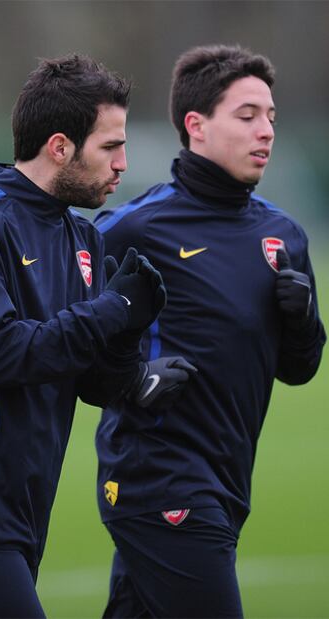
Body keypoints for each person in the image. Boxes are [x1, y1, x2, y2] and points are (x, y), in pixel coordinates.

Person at [0, 54, 196, 618]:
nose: (123, 163)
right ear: (60, 146)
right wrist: (113, 310)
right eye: (110, 147)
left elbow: (91, 382)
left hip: (24, 505)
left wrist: (129, 347)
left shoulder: (82, 239)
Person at [94, 44, 326, 618]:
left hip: (227, 481)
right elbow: (68, 339)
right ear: (195, 126)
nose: (265, 130)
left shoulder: (284, 235)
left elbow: (300, 369)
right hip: (157, 478)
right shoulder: (132, 228)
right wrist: (133, 379)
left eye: (270, 116)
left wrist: (302, 322)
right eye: (246, 116)